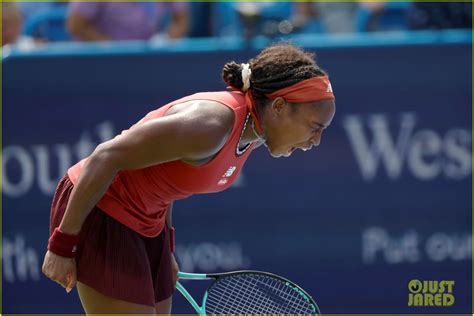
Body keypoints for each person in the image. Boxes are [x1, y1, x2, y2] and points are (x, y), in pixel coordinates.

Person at [41, 43, 336, 314]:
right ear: (280, 107)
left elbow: (165, 181)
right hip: (102, 209)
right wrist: (62, 244)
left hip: (148, 225)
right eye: (314, 126)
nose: (316, 140)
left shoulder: (253, 133)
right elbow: (105, 157)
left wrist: (165, 249)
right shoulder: (210, 126)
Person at [66, 2, 188, 41]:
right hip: (100, 64)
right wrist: (111, 48)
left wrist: (167, 40)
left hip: (149, 61)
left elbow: (181, 18)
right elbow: (76, 26)